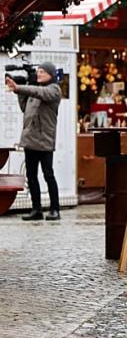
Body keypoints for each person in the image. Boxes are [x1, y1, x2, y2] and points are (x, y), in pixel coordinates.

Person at [5, 62, 63, 221]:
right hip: (30, 139)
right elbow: (25, 108)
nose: (39, 74)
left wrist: (19, 87)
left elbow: (39, 92)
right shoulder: (34, 90)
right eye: (38, 72)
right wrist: (20, 90)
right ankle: (36, 209)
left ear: (51, 75)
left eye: (42, 72)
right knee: (31, 176)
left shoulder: (54, 90)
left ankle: (55, 209)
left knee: (48, 175)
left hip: (44, 139)